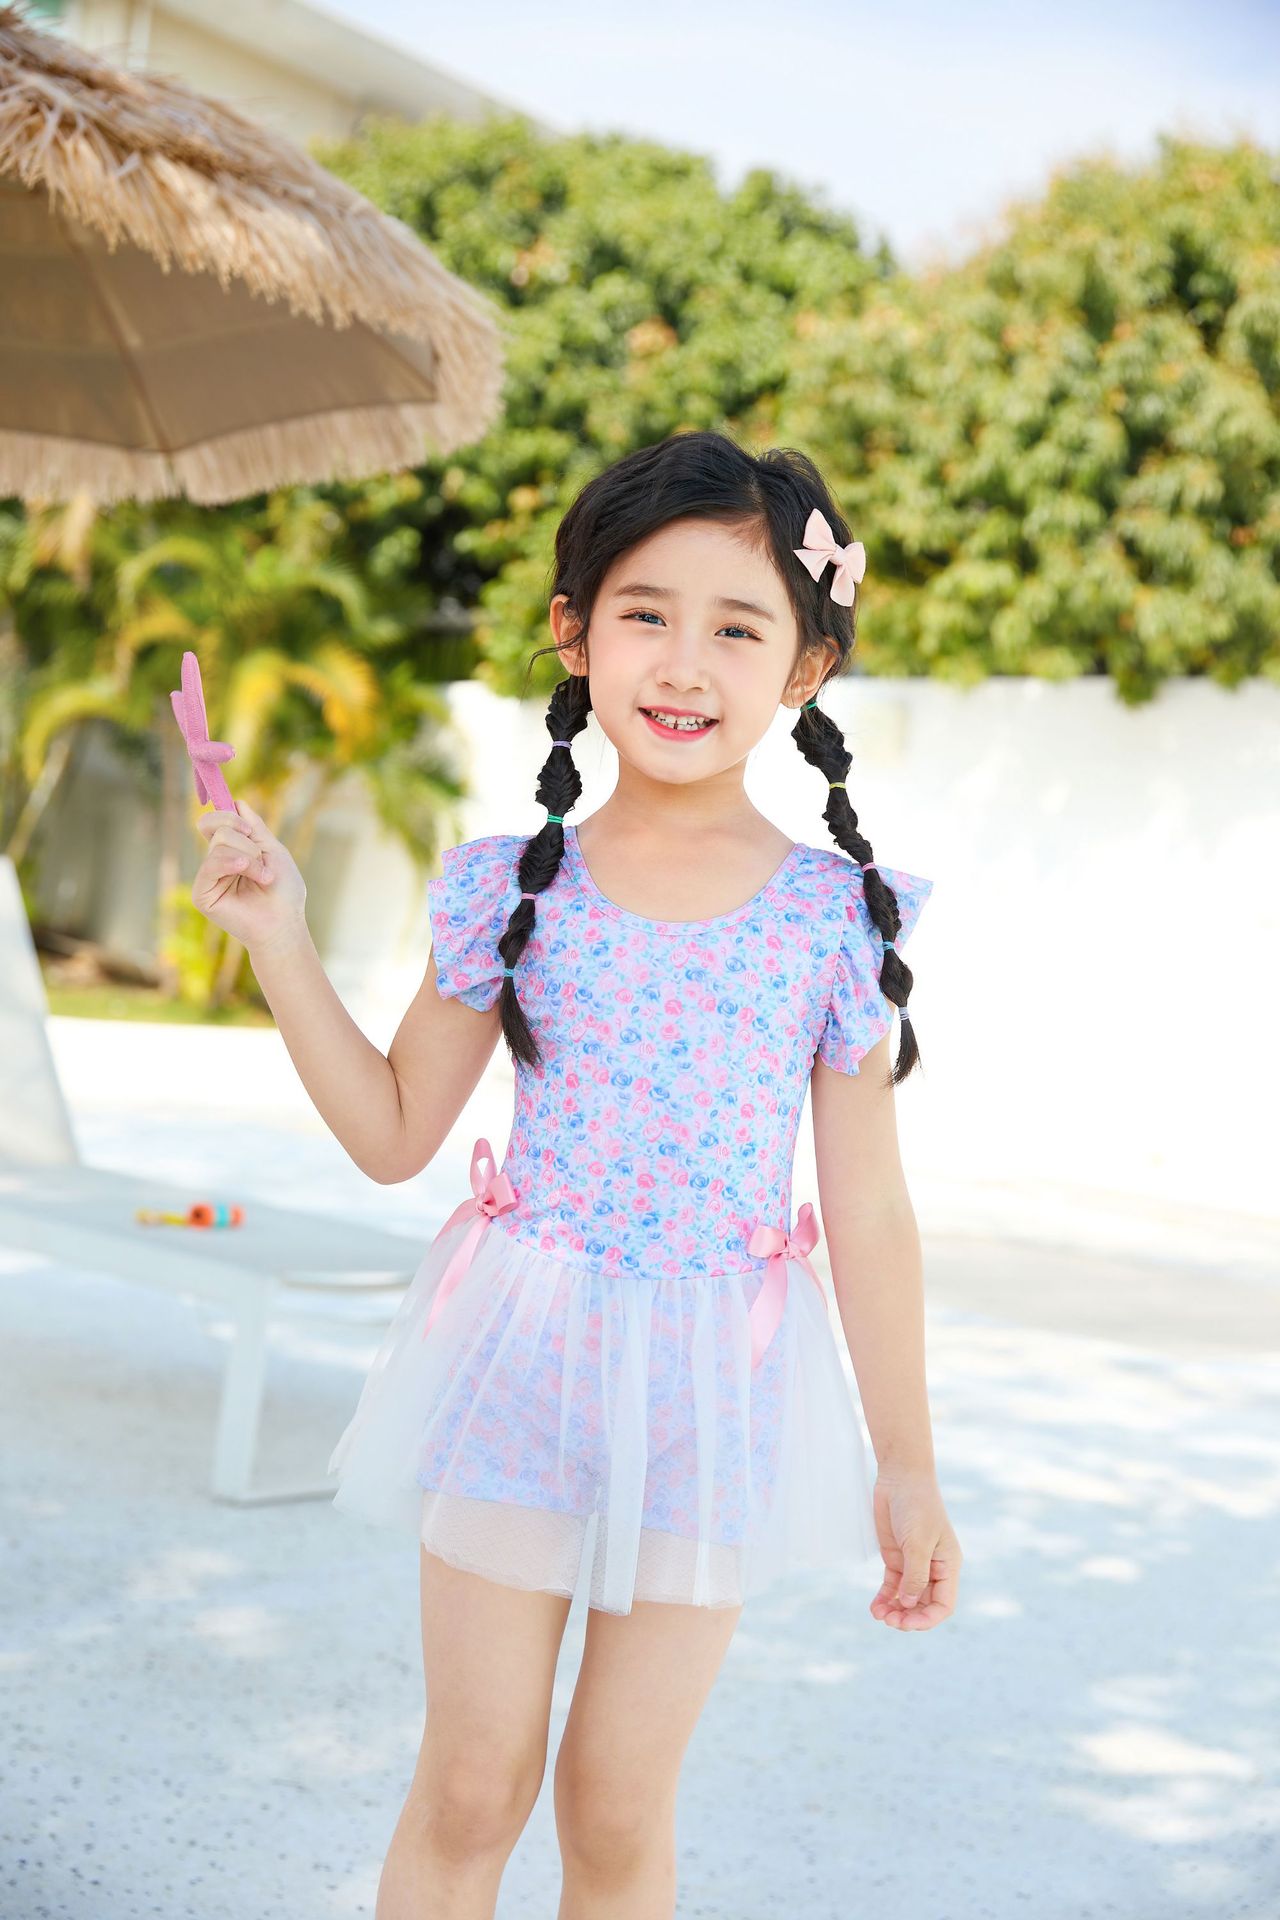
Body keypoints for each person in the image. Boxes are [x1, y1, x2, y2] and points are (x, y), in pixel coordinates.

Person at [190, 428, 964, 1920]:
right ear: (576, 631)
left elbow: (869, 1210)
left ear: (806, 666)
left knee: (613, 1807)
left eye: (737, 628)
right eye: (645, 613)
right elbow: (393, 1134)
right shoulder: (511, 890)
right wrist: (280, 937)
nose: (684, 663)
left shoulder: (833, 917)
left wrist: (909, 1463)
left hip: (713, 1393)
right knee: (474, 1784)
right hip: (522, 1366)